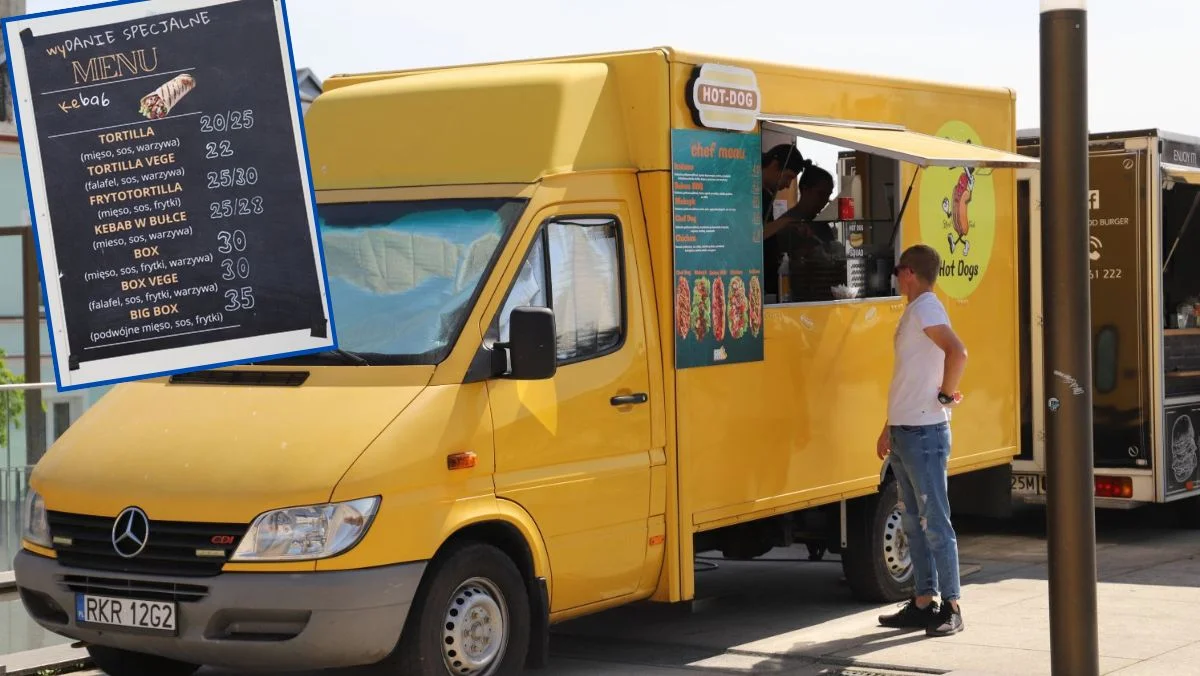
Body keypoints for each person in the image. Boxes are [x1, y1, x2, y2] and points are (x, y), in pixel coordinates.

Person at [875, 244, 969, 637]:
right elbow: (910, 376)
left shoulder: (927, 307)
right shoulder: (917, 309)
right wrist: (889, 426)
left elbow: (957, 352)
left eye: (899, 269)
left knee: (934, 523)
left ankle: (952, 607)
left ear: (910, 272)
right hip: (907, 430)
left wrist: (946, 395)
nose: (895, 275)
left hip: (924, 431)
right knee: (914, 522)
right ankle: (923, 602)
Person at [762, 162, 836, 298]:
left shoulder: (822, 225)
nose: (825, 200)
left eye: (828, 195)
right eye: (820, 194)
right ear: (805, 190)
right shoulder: (786, 225)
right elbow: (777, 267)